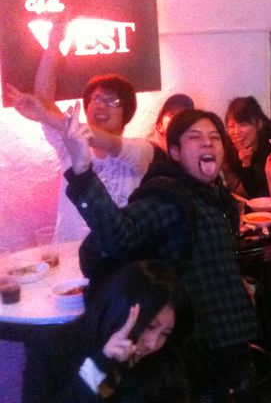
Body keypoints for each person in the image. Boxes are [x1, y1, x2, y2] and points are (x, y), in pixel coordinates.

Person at [62, 106, 260, 402]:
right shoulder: (169, 198)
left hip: (230, 337)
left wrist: (235, 281)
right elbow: (119, 235)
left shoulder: (216, 196)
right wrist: (82, 173)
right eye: (195, 137)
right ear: (175, 153)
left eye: (214, 137)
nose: (207, 143)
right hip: (197, 345)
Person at [5, 23, 154, 242]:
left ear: (127, 112)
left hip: (119, 255)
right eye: (96, 99)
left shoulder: (141, 150)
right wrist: (53, 44)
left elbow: (107, 142)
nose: (101, 105)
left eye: (113, 101)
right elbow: (44, 98)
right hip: (68, 255)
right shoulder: (69, 144)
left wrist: (44, 114)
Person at [22, 260, 190, 403]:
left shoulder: (162, 357)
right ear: (121, 310)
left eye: (165, 333)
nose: (153, 344)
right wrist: (98, 367)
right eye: (150, 326)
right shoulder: (52, 346)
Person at [224, 96, 271, 198]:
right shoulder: (227, 149)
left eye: (243, 124)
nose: (236, 132)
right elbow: (238, 189)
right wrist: (246, 165)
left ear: (259, 124)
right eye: (231, 126)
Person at [148, 93, 195, 158]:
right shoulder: (147, 154)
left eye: (183, 116)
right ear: (159, 126)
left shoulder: (192, 158)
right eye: (172, 114)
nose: (178, 119)